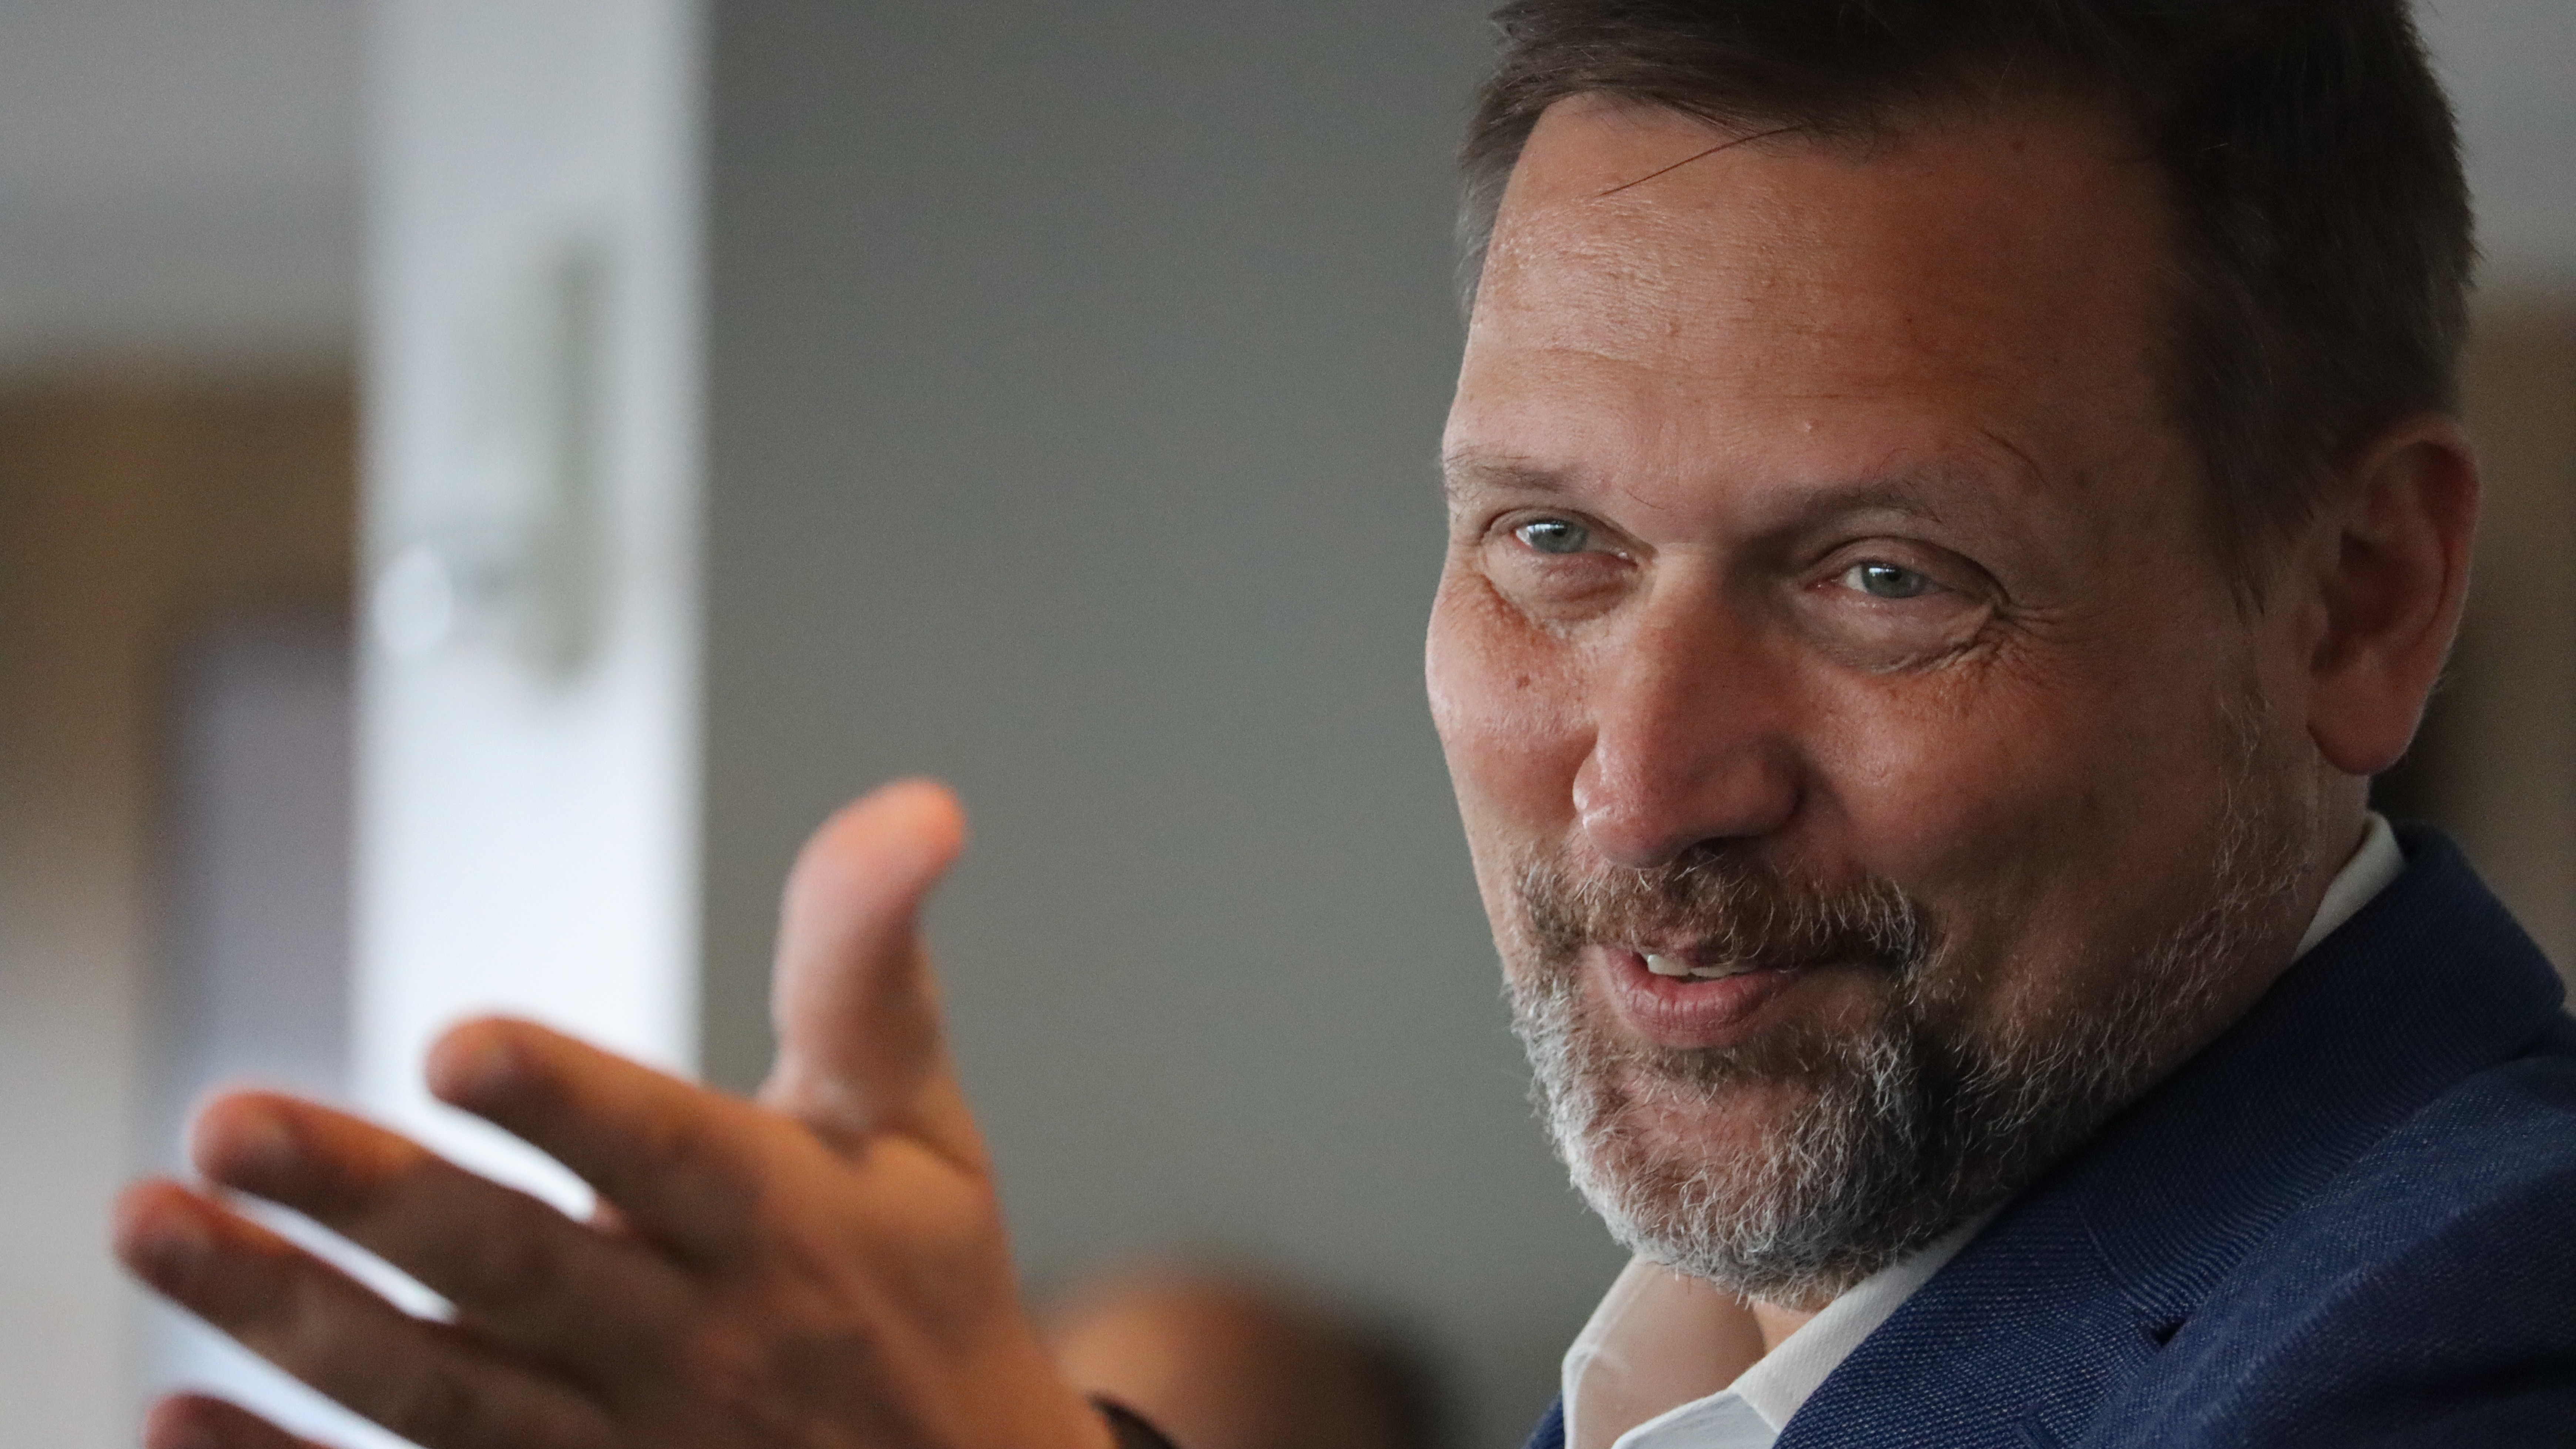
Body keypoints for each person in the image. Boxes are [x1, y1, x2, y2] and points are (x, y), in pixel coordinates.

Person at [114, 1, 2576, 1446]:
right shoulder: (1732, 1365)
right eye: (1549, 546)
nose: (1640, 778)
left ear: (2360, 597)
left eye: (1878, 575)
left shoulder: (2483, 1319)